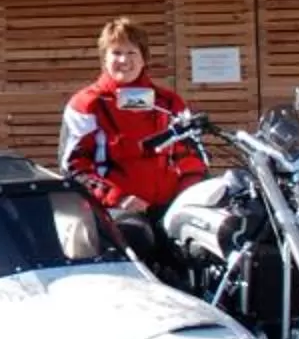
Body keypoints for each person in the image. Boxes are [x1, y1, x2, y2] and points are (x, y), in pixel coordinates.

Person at [59, 16, 208, 269]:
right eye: (116, 52)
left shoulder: (170, 103)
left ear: (144, 58)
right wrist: (119, 198)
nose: (124, 61)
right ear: (104, 57)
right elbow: (73, 167)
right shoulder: (86, 104)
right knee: (137, 237)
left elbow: (191, 159)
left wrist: (188, 200)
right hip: (116, 210)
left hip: (170, 205)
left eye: (132, 52)